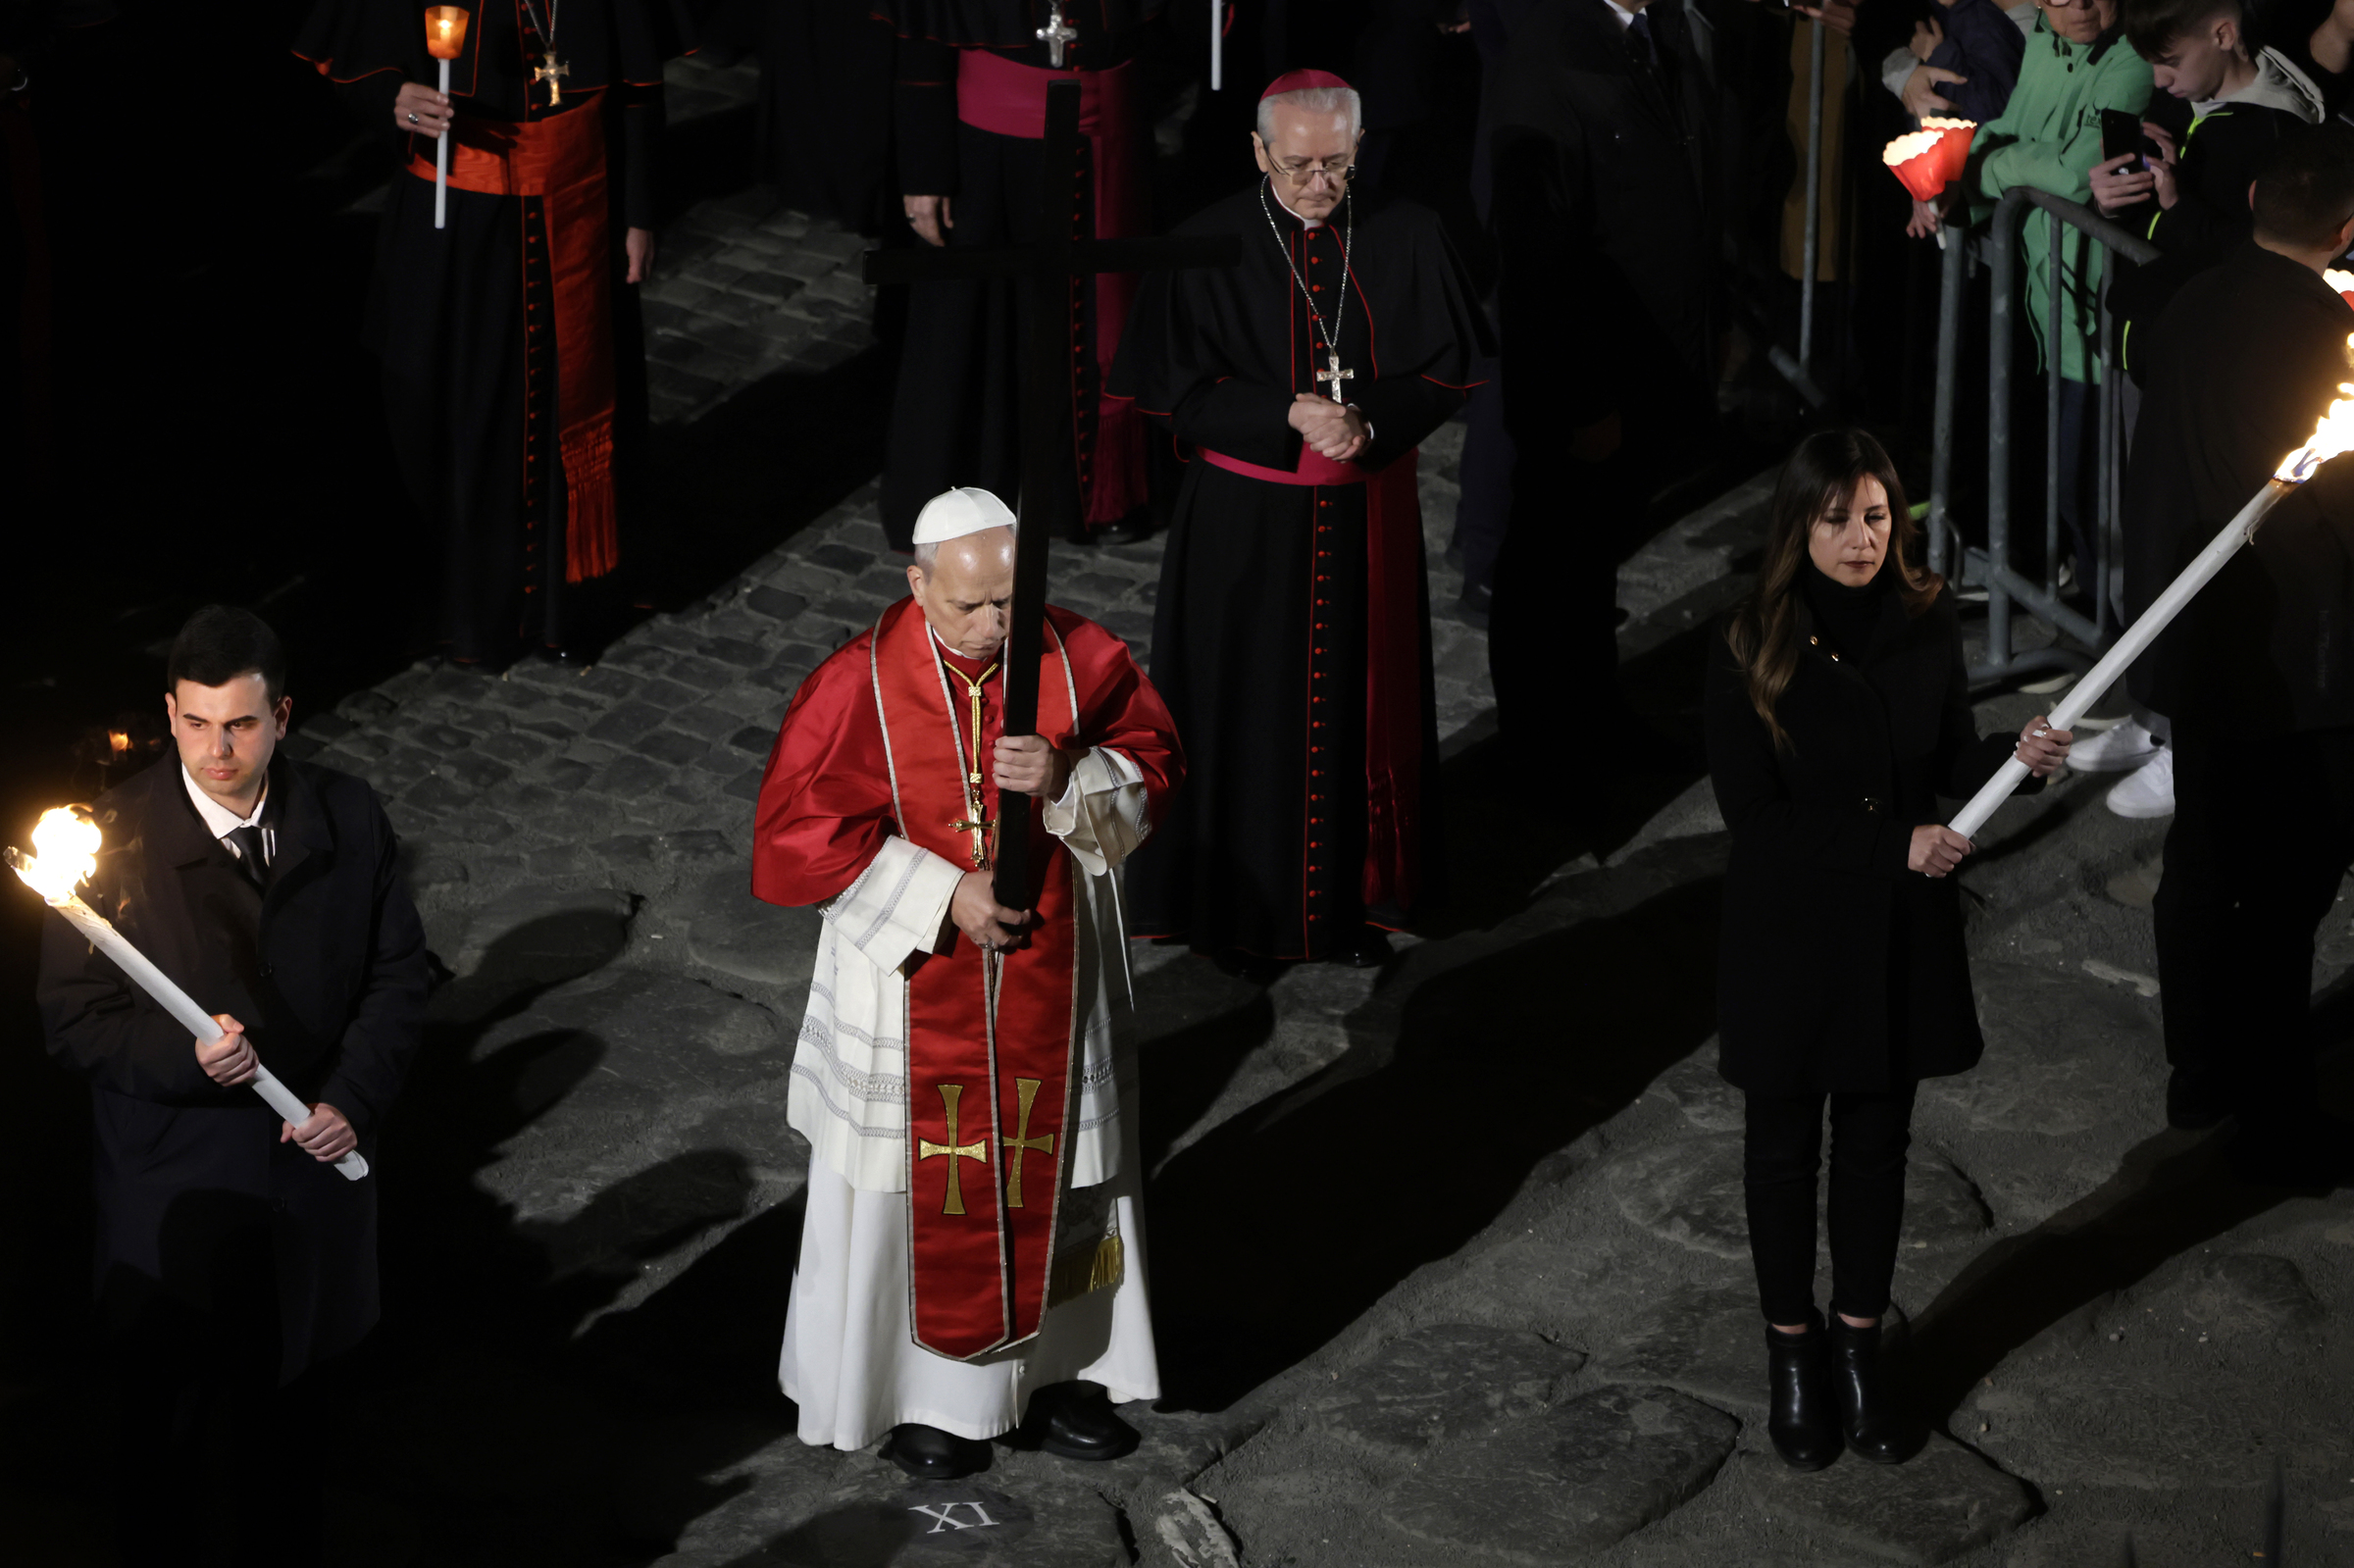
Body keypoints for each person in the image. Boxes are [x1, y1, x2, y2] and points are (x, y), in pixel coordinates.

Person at [752, 488, 1183, 1479]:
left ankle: (1067, 1374)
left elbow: (1156, 765)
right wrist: (944, 894)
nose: (995, 624)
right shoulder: (854, 684)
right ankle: (923, 1397)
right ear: (917, 584)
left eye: (1010, 604)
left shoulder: (1078, 657)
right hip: (913, 990)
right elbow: (797, 839)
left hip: (1053, 984)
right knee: (913, 1188)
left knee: (1070, 1175)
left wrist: (1072, 773)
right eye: (969, 606)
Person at [1706, 430, 2071, 1470]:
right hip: (1791, 941)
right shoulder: (1748, 638)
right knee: (1782, 1156)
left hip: (1894, 942)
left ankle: (1859, 1346)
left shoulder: (1923, 621)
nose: (1861, 540)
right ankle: (1792, 1354)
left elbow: (1953, 754)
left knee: (1875, 1149)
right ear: (1798, 525)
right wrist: (1889, 843)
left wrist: (2020, 757)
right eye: (1837, 520)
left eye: (1877, 517)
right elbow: (1755, 819)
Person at [35, 606, 430, 1564]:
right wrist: (187, 1060)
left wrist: (349, 1099)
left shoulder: (345, 815)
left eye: (242, 724)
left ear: (282, 716)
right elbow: (72, 1020)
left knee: (288, 1427)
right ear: (169, 715)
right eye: (200, 723)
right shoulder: (111, 844)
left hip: (301, 1188)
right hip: (178, 1189)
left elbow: (397, 975)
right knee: (161, 1434)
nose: (219, 749)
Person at [1109, 71, 1489, 972]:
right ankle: (1233, 912)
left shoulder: (1406, 232)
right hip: (1242, 526)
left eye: (1337, 164)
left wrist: (1372, 422)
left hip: (1366, 518)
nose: (1320, 186)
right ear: (1257, 153)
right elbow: (1172, 396)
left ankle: (1345, 902)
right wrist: (1281, 413)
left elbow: (1445, 370)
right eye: (1298, 166)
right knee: (1239, 710)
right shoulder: (1205, 242)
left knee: (1358, 706)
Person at [293, 0, 687, 666]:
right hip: (460, 233)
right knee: (459, 415)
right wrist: (394, 96)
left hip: (580, 209)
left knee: (573, 411)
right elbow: (357, 61)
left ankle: (565, 608)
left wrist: (641, 211)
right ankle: (475, 612)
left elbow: (639, 88)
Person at [2125, 127, 2354, 1180]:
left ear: (2255, 196)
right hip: (2291, 657)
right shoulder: (2324, 342)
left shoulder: (2192, 304)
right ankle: (2271, 1111)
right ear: (2347, 232)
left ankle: (2199, 1072)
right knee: (2282, 882)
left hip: (2194, 628)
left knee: (2207, 862)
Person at [1484, 0, 1721, 767]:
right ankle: (1547, 750)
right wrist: (1583, 400)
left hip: (1643, 360)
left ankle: (1593, 720)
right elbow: (1534, 257)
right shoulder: (1548, 58)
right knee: (1553, 563)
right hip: (1588, 380)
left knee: (1592, 564)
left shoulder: (1660, 31)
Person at [873, 0, 1160, 549]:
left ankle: (1091, 496)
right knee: (973, 331)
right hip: (984, 145)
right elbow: (922, 36)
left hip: (1108, 131)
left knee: (1106, 312)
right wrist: (926, 167)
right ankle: (957, 498)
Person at [1918, 0, 2153, 591]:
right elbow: (2009, 130)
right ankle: (2087, 618)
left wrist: (1978, 172)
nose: (2075, 7)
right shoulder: (2049, 40)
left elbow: (2075, 171)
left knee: (2091, 491)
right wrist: (1952, 183)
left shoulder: (2132, 58)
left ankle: (2113, 642)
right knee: (2066, 486)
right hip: (2045, 298)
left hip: (2098, 312)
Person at [1882, 0, 2033, 126]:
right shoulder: (1936, 12)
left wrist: (1937, 56)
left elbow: (1994, 116)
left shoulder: (1982, 16)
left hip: (1983, 153)